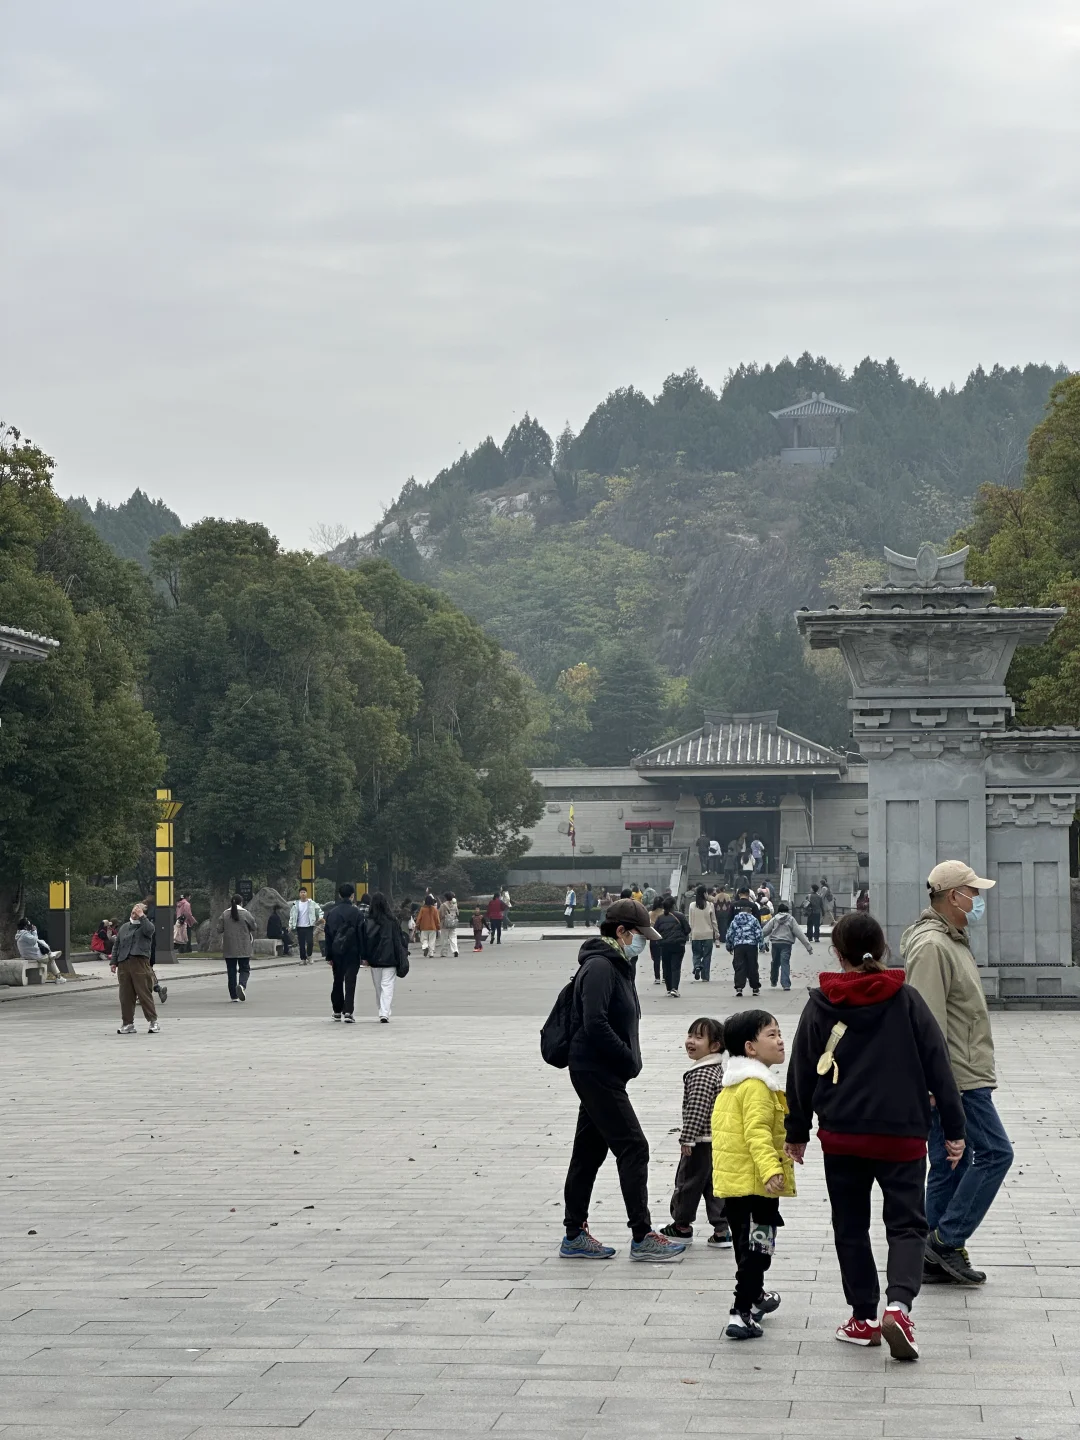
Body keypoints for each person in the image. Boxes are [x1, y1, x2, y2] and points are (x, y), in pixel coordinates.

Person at [785, 912, 966, 1361]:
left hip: (842, 1135)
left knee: (850, 1226)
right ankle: (899, 1307)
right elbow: (939, 1065)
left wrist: (797, 1132)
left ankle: (863, 1318)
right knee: (906, 1224)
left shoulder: (821, 1004)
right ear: (884, 949)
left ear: (837, 953)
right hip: (901, 1136)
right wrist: (956, 1131)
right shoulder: (905, 999)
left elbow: (801, 1071)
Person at [902, 861, 1012, 1286]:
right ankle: (946, 1241)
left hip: (960, 1073)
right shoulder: (933, 945)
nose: (978, 900)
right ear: (953, 896)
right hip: (958, 1078)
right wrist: (934, 1082)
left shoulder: (952, 940)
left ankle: (926, 1255)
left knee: (950, 1163)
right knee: (996, 1153)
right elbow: (927, 1020)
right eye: (973, 892)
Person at [559, 899, 686, 1263]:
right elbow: (593, 1022)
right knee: (634, 1146)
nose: (643, 943)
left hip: (603, 1070)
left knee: (588, 1151)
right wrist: (627, 1057)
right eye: (639, 935)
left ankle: (574, 1233)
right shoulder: (600, 966)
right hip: (595, 1070)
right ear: (621, 932)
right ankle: (642, 1234)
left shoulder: (618, 964)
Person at [712, 1009, 794, 1340]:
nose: (780, 1039)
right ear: (750, 1047)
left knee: (746, 1249)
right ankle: (740, 1311)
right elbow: (756, 1133)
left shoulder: (733, 1084)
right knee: (761, 1248)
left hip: (734, 1183)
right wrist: (772, 1169)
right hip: (759, 1184)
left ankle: (755, 1296)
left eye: (779, 1032)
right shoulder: (758, 1087)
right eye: (771, 1034)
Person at [658, 1018, 731, 1247]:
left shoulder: (700, 1074)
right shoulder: (716, 1068)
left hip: (700, 1141)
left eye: (698, 1037)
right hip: (716, 1140)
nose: (690, 1041)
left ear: (715, 1046)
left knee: (687, 1182)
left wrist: (687, 1138)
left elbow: (696, 1110)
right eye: (690, 1035)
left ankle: (681, 1225)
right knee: (713, 1184)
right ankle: (722, 1229)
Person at [359, 889, 408, 1022]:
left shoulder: (368, 921)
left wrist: (364, 957)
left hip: (374, 959)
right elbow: (400, 939)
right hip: (390, 958)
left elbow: (364, 941)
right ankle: (384, 1012)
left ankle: (382, 1009)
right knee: (387, 985)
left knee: (378, 986)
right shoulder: (392, 921)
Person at [110, 903, 159, 1033]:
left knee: (144, 993)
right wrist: (114, 962)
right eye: (133, 910)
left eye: (138, 911)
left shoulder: (146, 926)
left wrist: (142, 917)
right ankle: (127, 1023)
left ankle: (153, 1021)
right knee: (125, 995)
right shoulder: (124, 927)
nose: (134, 913)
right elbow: (117, 945)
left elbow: (149, 930)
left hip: (140, 963)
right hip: (124, 963)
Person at [324, 883, 365, 1021]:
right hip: (353, 951)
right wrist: (363, 954)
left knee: (337, 979)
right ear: (352, 896)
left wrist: (329, 955)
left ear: (340, 895)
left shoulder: (332, 913)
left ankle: (336, 1010)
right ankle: (348, 1011)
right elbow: (361, 934)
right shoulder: (357, 913)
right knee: (350, 981)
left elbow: (328, 935)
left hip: (336, 951)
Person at [762, 902, 812, 992]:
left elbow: (765, 931)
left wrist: (755, 939)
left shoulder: (774, 919)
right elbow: (799, 933)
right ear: (787, 911)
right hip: (786, 944)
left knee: (775, 962)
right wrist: (808, 946)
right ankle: (786, 985)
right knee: (785, 963)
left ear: (778, 911)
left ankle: (773, 981)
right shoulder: (791, 919)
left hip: (775, 943)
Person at [217, 894, 256, 1003]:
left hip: (229, 947)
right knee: (245, 969)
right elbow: (254, 926)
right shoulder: (246, 914)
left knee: (231, 971)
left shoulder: (224, 914)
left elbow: (219, 929)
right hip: (244, 946)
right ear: (241, 902)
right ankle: (242, 985)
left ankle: (234, 996)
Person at [726, 899, 764, 998]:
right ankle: (755, 987)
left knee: (739, 966)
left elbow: (730, 933)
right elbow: (759, 933)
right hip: (751, 945)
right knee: (753, 966)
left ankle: (739, 987)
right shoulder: (754, 919)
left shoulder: (735, 919)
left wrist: (729, 945)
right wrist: (761, 944)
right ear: (750, 911)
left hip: (738, 945)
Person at [655, 895, 690, 997]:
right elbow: (687, 929)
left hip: (664, 945)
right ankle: (675, 988)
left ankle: (669, 988)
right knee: (676, 967)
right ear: (674, 905)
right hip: (678, 945)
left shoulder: (660, 918)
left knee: (666, 967)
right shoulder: (680, 916)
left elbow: (655, 931)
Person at [688, 885, 720, 983]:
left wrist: (690, 934)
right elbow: (713, 921)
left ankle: (697, 966)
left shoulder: (692, 905)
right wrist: (716, 932)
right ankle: (705, 976)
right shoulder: (710, 905)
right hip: (708, 934)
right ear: (704, 894)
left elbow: (690, 921)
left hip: (696, 934)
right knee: (707, 956)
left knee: (696, 953)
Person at [289, 887, 323, 964]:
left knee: (310, 942)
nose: (303, 893)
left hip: (309, 926)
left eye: (304, 892)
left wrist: (320, 918)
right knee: (301, 944)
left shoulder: (312, 903)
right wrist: (290, 925)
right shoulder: (296, 904)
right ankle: (303, 959)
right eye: (301, 892)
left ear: (306, 893)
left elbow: (319, 911)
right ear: (299, 894)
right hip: (299, 926)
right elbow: (292, 916)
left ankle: (309, 956)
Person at [438, 892, 459, 956]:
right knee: (453, 937)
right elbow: (457, 913)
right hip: (453, 924)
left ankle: (444, 953)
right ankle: (455, 950)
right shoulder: (454, 905)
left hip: (445, 924)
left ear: (446, 898)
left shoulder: (443, 905)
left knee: (444, 939)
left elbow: (440, 915)